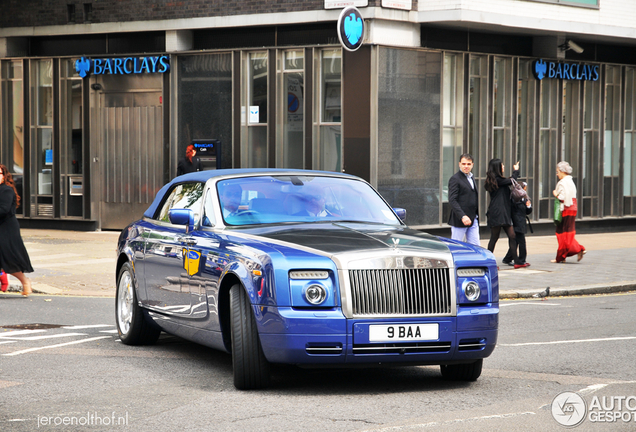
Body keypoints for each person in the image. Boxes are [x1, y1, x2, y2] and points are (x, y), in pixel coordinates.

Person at [484, 159, 529, 269]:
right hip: (497, 212)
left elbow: (509, 181)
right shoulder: (496, 180)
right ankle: (488, 263)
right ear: (497, 167)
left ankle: (517, 261)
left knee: (512, 236)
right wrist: (516, 170)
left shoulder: (498, 180)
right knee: (494, 237)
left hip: (503, 212)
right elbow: (512, 180)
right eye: (502, 165)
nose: (503, 166)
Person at [0, 164, 33, 296]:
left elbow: (4, 210)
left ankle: (25, 281)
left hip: (6, 228)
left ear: (4, 176)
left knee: (9, 258)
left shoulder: (6, 190)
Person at [552, 161, 586, 263]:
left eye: (558, 171)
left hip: (565, 209)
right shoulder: (571, 182)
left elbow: (562, 197)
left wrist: (555, 194)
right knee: (568, 233)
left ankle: (565, 254)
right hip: (572, 209)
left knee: (561, 234)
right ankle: (564, 256)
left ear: (563, 171)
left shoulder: (562, 183)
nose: (557, 174)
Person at [447, 153, 479, 246]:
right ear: (459, 164)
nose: (466, 166)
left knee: (475, 246)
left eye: (469, 164)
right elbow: (452, 200)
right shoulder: (455, 179)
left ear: (472, 165)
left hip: (473, 219)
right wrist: (463, 216)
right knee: (456, 246)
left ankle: (473, 261)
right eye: (464, 164)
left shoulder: (471, 177)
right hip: (459, 220)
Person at [503, 181, 533, 266]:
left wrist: (528, 206)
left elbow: (527, 211)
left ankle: (508, 258)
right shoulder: (514, 198)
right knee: (521, 242)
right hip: (516, 223)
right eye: (524, 189)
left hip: (521, 222)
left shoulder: (524, 198)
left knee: (515, 242)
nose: (525, 191)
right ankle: (521, 259)